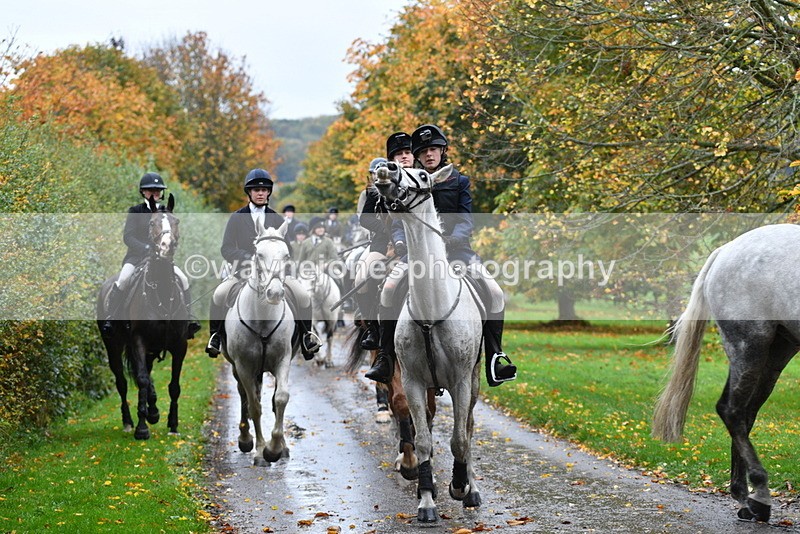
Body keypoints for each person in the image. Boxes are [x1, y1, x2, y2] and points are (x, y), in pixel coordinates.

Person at [366, 124, 517, 387]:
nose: (429, 155)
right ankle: (386, 357)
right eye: (423, 151)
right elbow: (400, 222)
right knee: (389, 289)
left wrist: (451, 240)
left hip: (458, 252)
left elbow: (467, 220)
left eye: (433, 149)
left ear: (443, 151)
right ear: (417, 155)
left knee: (494, 292)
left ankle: (495, 355)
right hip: (416, 257)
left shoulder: (459, 181)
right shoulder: (408, 182)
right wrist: (401, 243)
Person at [205, 168, 321, 359]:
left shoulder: (276, 218)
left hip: (274, 274)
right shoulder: (236, 218)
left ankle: (306, 337)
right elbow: (226, 249)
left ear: (269, 192)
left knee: (302, 296)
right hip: (242, 272)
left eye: (264, 189)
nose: (260, 193)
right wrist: (245, 257)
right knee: (219, 294)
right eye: (256, 190)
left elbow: (288, 250)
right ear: (249, 192)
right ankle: (215, 337)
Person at [101, 172, 201, 338]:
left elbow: (173, 235)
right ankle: (111, 319)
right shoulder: (135, 211)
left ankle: (187, 320)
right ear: (143, 192)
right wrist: (146, 248)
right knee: (123, 279)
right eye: (150, 190)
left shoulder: (165, 213)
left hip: (162, 260)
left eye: (158, 190)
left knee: (183, 279)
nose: (155, 193)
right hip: (136, 258)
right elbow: (128, 237)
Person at [353, 157, 394, 350]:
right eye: (374, 174)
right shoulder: (371, 193)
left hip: (408, 245)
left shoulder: (401, 186)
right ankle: (371, 328)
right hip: (380, 244)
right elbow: (364, 219)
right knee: (361, 277)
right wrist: (385, 229)